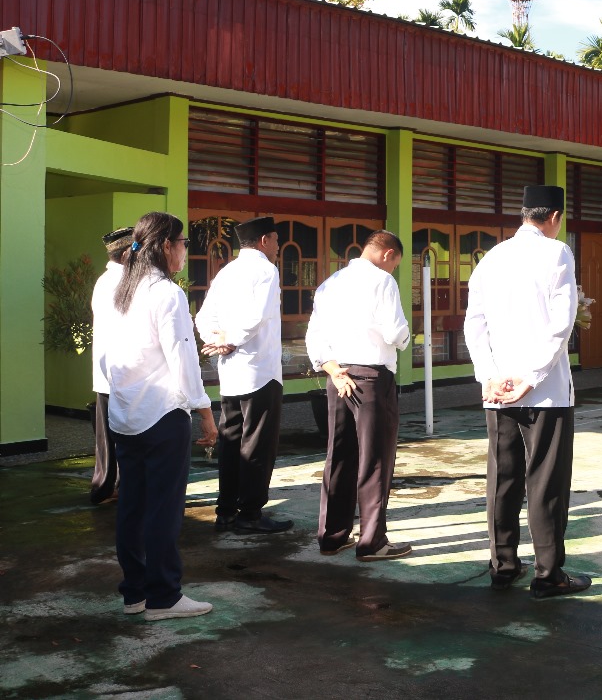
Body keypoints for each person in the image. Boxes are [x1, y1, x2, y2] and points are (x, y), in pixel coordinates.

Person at [463, 185, 592, 597]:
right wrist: (531, 376)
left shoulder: (492, 258)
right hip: (544, 391)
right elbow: (561, 323)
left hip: (498, 390)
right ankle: (548, 574)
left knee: (503, 479)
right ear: (554, 217)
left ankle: (502, 566)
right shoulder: (557, 253)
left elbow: (474, 323)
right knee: (545, 482)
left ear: (524, 214)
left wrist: (488, 375)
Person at [101, 212, 218, 620]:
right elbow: (183, 359)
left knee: (132, 506)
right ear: (167, 246)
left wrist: (122, 395)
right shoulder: (166, 294)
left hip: (125, 413)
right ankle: (164, 597)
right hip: (163, 414)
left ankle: (135, 593)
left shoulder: (121, 289)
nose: (185, 251)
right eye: (183, 243)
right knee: (163, 509)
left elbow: (108, 356)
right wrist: (205, 410)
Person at [306, 230, 412, 562]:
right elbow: (395, 331)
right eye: (396, 263)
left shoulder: (330, 283)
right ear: (388, 254)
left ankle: (332, 535)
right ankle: (372, 541)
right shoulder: (382, 281)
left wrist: (332, 369)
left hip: (338, 376)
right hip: (371, 377)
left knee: (339, 455)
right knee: (375, 458)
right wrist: (407, 338)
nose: (393, 269)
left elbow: (314, 335)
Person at [195, 216, 291, 534]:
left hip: (231, 371)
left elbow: (204, 316)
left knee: (231, 441)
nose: (278, 246)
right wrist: (230, 340)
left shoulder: (227, 271)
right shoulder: (265, 270)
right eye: (276, 239)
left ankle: (226, 510)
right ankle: (250, 513)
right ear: (264, 240)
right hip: (260, 371)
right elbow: (257, 316)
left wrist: (217, 339)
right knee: (257, 445)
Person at [88, 226, 133, 505]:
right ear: (127, 253)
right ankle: (108, 488)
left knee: (108, 436)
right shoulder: (123, 283)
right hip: (122, 371)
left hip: (109, 371)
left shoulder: (105, 280)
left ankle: (107, 486)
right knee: (121, 435)